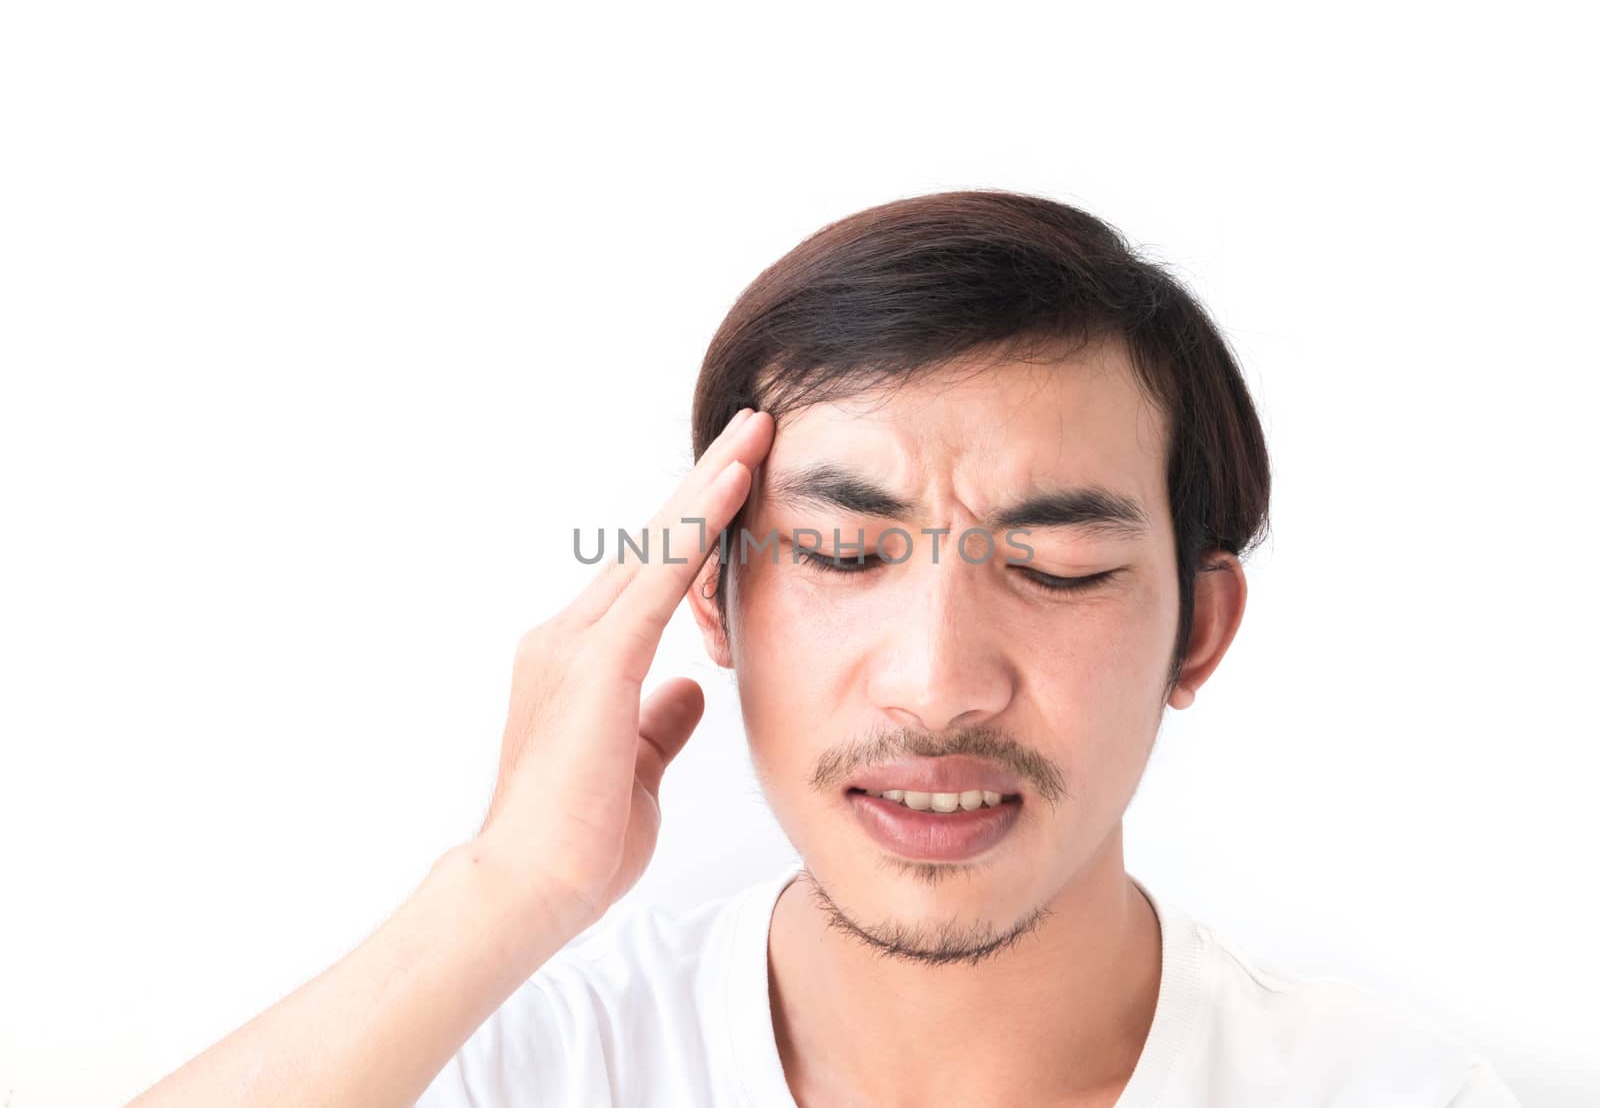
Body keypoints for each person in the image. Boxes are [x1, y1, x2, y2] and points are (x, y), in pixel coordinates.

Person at [128, 191, 1521, 1107]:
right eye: (846, 553)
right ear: (714, 602)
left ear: (1198, 629)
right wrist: (502, 885)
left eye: (1055, 566)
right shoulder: (519, 1065)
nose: (933, 678)